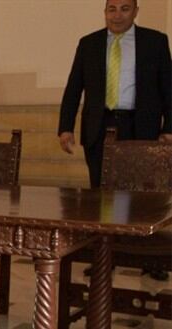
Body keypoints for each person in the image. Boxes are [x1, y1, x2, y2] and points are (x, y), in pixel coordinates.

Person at [58, 0, 172, 189]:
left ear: (135, 12)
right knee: (100, 190)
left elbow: (168, 89)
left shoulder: (155, 42)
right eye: (112, 9)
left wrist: (168, 128)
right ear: (105, 12)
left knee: (138, 191)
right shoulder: (88, 44)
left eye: (124, 9)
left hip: (140, 127)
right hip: (98, 128)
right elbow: (73, 88)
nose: (117, 15)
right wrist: (65, 128)